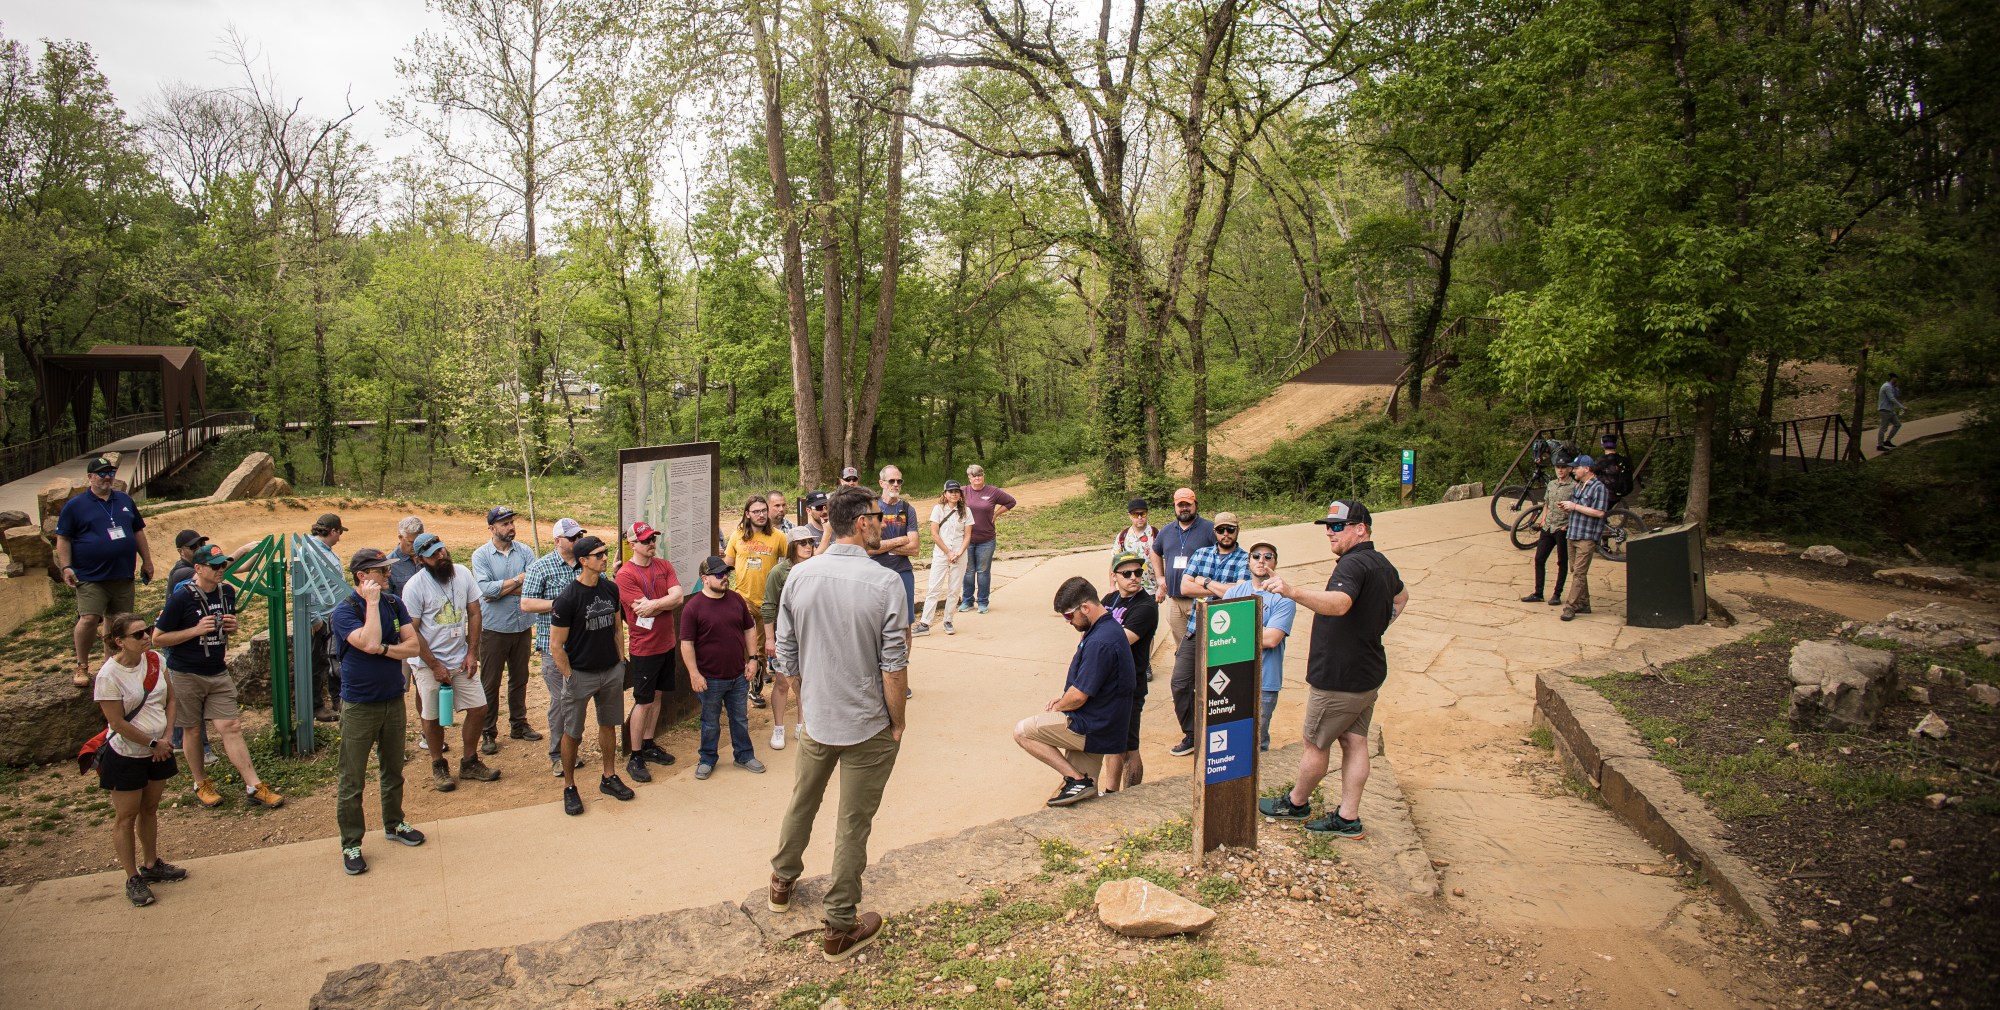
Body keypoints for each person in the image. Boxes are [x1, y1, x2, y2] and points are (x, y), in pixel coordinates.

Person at [767, 485, 909, 962]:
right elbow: (894, 665)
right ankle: (840, 923)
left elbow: (784, 656)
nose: (885, 522)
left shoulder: (800, 576)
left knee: (802, 801)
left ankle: (781, 883)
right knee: (853, 824)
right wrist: (898, 722)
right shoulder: (886, 583)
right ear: (862, 522)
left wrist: (813, 695)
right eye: (879, 516)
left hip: (818, 719)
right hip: (867, 723)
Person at [1258, 500, 1407, 838]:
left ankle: (1296, 804)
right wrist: (1375, 627)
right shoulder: (1381, 563)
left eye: (1339, 526)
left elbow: (1340, 604)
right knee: (1355, 742)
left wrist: (1291, 590)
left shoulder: (1351, 566)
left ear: (1361, 529)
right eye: (1328, 525)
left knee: (1315, 743)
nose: (1330, 531)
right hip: (1368, 672)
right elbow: (1401, 597)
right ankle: (1348, 817)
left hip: (1338, 678)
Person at [153, 544, 284, 810]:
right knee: (191, 728)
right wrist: (194, 631)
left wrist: (232, 627)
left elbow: (224, 628)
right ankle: (201, 784)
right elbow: (157, 638)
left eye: (223, 564)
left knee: (231, 726)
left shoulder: (227, 592)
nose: (221, 570)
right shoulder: (181, 597)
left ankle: (254, 786)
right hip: (186, 672)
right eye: (215, 566)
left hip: (217, 669)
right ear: (198, 569)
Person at [331, 548, 427, 875]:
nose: (388, 576)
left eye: (387, 571)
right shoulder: (345, 611)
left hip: (392, 699)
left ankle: (394, 823)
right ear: (362, 576)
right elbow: (368, 641)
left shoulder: (394, 603)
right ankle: (352, 843)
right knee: (353, 777)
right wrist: (371, 605)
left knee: (392, 768)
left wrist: (386, 649)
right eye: (381, 571)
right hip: (359, 704)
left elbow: (412, 647)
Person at [1013, 576, 1134, 806]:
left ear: (1085, 608)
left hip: (1091, 724)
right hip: (1103, 721)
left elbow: (1078, 696)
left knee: (1022, 732)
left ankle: (1077, 778)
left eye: (1069, 615)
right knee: (1083, 800)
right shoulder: (1106, 627)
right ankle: (1082, 782)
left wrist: (1059, 707)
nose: (1068, 622)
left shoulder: (1101, 641)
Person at [93, 613, 186, 907]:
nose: (146, 636)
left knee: (150, 808)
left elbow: (171, 699)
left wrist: (168, 735)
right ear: (120, 642)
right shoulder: (108, 676)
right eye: (138, 635)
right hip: (128, 753)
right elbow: (117, 723)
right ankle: (132, 876)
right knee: (126, 816)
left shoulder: (156, 661)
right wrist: (152, 742)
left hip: (159, 750)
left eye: (146, 630)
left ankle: (151, 864)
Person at [403, 533, 500, 792]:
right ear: (420, 560)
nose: (441, 556)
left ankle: (469, 761)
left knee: (479, 708)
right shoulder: (414, 586)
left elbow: (474, 612)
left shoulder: (462, 574)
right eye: (433, 554)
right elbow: (412, 630)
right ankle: (438, 764)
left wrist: (472, 653)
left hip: (460, 657)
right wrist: (434, 665)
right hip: (427, 662)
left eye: (441, 549)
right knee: (433, 716)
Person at [550, 535, 635, 815]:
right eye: (598, 554)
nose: (604, 558)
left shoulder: (610, 589)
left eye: (604, 552)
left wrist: (620, 658)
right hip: (580, 675)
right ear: (583, 561)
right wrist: (570, 676)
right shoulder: (567, 599)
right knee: (572, 732)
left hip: (610, 671)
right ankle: (569, 787)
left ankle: (609, 776)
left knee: (609, 725)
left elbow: (616, 627)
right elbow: (555, 645)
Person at [56, 456, 154, 687]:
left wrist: (147, 561)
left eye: (111, 472)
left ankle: (112, 664)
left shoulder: (124, 500)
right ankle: (82, 666)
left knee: (118, 623)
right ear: (90, 477)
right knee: (89, 618)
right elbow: (63, 538)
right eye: (102, 473)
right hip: (91, 575)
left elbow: (138, 531)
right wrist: (66, 566)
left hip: (122, 573)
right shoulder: (75, 505)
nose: (108, 477)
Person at [1167, 510, 1248, 757]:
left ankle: (1226, 736)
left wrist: (1204, 582)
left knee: (1225, 689)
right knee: (1180, 683)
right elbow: (1183, 586)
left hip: (1229, 636)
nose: (1225, 534)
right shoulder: (1201, 553)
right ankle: (1193, 733)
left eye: (1230, 530)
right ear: (1214, 532)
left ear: (1237, 531)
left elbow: (1240, 593)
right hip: (1196, 628)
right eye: (1221, 530)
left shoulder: (1245, 560)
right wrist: (1219, 588)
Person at [680, 555, 764, 780]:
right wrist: (694, 674)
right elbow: (686, 644)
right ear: (704, 579)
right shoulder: (693, 608)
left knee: (740, 717)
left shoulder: (736, 600)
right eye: (719, 574)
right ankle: (707, 758)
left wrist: (753, 659)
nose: (725, 578)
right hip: (709, 679)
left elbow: (749, 630)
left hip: (738, 675)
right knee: (709, 722)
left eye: (727, 573)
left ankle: (744, 755)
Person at [616, 521, 684, 781]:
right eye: (645, 541)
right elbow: (639, 610)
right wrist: (663, 603)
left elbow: (677, 598)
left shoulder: (663, 565)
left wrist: (655, 603)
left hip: (667, 643)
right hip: (644, 648)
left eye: (653, 539)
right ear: (633, 545)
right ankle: (634, 755)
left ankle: (648, 744)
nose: (651, 543)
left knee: (656, 696)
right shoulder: (625, 575)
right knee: (643, 702)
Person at [472, 506, 542, 752]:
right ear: (492, 528)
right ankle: (488, 732)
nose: (510, 527)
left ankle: (519, 724)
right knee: (490, 683)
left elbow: (535, 588)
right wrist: (518, 579)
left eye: (511, 522)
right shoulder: (480, 556)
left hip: (522, 626)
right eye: (504, 524)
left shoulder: (525, 551)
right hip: (493, 629)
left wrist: (501, 589)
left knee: (520, 678)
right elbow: (485, 591)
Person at [522, 518, 587, 777]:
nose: (577, 541)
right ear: (557, 541)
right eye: (572, 537)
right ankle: (558, 755)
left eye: (579, 536)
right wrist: (560, 604)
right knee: (561, 701)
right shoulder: (542, 567)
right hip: (554, 649)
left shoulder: (587, 564)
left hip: (583, 647)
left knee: (578, 701)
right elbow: (526, 604)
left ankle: (572, 750)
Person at [1224, 542, 1298, 752]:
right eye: (1256, 556)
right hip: (1231, 678)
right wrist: (1260, 628)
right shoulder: (1233, 593)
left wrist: (1236, 633)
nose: (1261, 560)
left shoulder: (1284, 598)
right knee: (1230, 739)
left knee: (1256, 742)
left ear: (1275, 562)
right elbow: (1218, 633)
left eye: (1268, 556)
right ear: (1248, 561)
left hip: (1264, 681)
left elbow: (1272, 639)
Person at [1098, 551, 1157, 793]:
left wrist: (1096, 637)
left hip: (1129, 685)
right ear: (1114, 576)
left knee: (1129, 745)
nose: (1134, 577)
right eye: (1127, 573)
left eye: (1138, 573)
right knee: (1112, 742)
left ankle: (1132, 796)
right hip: (1106, 683)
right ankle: (1111, 792)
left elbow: (1119, 641)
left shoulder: (1146, 606)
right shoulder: (1109, 598)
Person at [726, 496, 785, 709]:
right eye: (756, 511)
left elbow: (789, 562)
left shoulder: (778, 537)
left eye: (763, 511)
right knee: (741, 646)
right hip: (743, 599)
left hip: (768, 603)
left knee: (760, 650)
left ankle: (756, 690)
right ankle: (738, 686)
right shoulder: (737, 536)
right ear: (747, 514)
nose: (761, 515)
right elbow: (729, 564)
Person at [760, 526, 816, 749]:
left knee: (806, 681)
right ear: (792, 546)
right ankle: (778, 728)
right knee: (783, 682)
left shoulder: (815, 568)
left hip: (809, 635)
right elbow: (768, 606)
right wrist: (769, 639)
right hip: (785, 635)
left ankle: (802, 725)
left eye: (810, 542)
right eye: (803, 543)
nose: (808, 547)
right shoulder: (779, 572)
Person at [1151, 488, 1216, 640]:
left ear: (1195, 505)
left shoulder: (1209, 529)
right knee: (1182, 648)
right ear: (1174, 506)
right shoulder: (1166, 530)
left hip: (1201, 599)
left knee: (1205, 644)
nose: (1184, 508)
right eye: (1180, 505)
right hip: (1175, 600)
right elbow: (1154, 551)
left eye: (1188, 504)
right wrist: (1160, 577)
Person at [303, 513, 349, 722]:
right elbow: (305, 588)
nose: (339, 537)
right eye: (339, 533)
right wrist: (315, 620)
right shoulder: (312, 553)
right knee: (318, 662)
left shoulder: (321, 550)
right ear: (332, 531)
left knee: (332, 657)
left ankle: (337, 699)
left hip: (330, 616)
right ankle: (316, 706)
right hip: (320, 618)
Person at [870, 466, 920, 655]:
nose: (896, 484)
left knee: (905, 626)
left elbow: (914, 548)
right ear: (882, 483)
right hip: (876, 573)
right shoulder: (872, 508)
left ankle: (901, 676)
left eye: (899, 481)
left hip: (902, 572)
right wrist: (900, 541)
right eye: (892, 481)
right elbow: (869, 547)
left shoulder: (908, 509)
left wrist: (884, 545)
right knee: (875, 625)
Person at [913, 480, 970, 636]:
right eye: (950, 491)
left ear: (960, 495)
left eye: (956, 491)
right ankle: (925, 623)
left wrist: (958, 553)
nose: (953, 494)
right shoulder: (938, 509)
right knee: (934, 588)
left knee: (954, 589)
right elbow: (934, 534)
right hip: (941, 554)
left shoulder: (966, 511)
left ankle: (948, 620)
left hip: (960, 554)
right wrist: (948, 552)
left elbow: (967, 535)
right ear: (945, 494)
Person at [957, 465, 1015, 614]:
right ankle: (967, 601)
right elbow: (949, 503)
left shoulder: (992, 491)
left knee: (983, 571)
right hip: (966, 539)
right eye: (974, 475)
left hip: (986, 539)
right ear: (969, 477)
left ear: (983, 476)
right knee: (968, 571)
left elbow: (1011, 502)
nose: (977, 478)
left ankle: (983, 602)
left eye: (980, 475)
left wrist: (996, 514)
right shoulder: (963, 491)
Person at [1557, 456, 1609, 622]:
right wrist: (1567, 509)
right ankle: (1584, 603)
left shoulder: (1599, 488)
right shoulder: (1578, 486)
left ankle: (1570, 606)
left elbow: (1600, 512)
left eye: (1576, 468)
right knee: (1576, 571)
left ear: (1586, 469)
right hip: (1573, 534)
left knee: (1579, 573)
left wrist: (1575, 506)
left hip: (1587, 537)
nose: (1573, 470)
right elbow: (1576, 509)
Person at [1520, 462, 1577, 605]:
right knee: (1539, 559)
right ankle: (1538, 593)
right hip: (1548, 527)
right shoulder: (1552, 484)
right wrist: (1544, 520)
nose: (1560, 470)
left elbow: (1577, 509)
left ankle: (1557, 594)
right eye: (1558, 467)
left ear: (1570, 469)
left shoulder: (1574, 487)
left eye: (1563, 467)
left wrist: (1569, 525)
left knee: (1562, 561)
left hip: (1562, 528)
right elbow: (1546, 502)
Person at [1113, 499, 1160, 597]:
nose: (1139, 517)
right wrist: (1112, 585)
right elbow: (1115, 561)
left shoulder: (1157, 535)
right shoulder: (1123, 536)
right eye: (1135, 514)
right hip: (1128, 589)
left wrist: (1162, 587)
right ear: (1129, 516)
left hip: (1150, 590)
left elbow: (1165, 561)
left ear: (1147, 514)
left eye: (1142, 514)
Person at [386, 516, 425, 596]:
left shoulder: (429, 557)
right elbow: (386, 600)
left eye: (419, 541)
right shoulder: (389, 564)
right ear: (400, 537)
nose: (416, 546)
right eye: (411, 542)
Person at [167, 530, 206, 595]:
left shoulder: (198, 564)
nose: (199, 548)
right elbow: (207, 578)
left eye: (201, 544)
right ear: (181, 551)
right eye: (193, 546)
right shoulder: (181, 572)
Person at [1877, 373, 1905, 450]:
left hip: (1890, 410)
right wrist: (1901, 407)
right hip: (1885, 410)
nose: (1897, 380)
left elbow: (1896, 396)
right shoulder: (1887, 386)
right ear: (1893, 378)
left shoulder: (1891, 387)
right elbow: (1891, 398)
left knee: (1897, 424)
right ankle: (1879, 445)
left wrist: (1896, 389)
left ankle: (1887, 441)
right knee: (1883, 428)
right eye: (1896, 378)